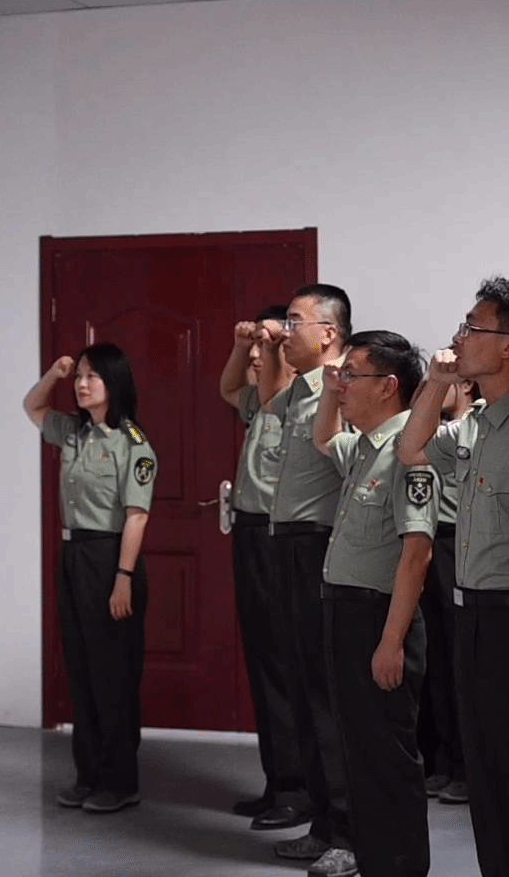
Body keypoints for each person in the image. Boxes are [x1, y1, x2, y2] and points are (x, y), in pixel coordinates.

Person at [398, 277, 509, 877]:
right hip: (472, 617)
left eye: (473, 327)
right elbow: (411, 448)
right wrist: (436, 382)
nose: (459, 336)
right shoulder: (471, 425)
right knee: (486, 775)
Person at [312, 331, 438, 877]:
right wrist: (328, 389)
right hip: (346, 613)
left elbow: (417, 553)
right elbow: (323, 438)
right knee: (357, 750)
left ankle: (401, 866)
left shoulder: (409, 450)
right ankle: (374, 859)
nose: (341, 385)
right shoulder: (363, 445)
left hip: (381, 618)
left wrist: (391, 640)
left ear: (388, 386)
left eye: (351, 375)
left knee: (387, 756)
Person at [22, 344, 156, 814]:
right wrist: (52, 374)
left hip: (110, 557)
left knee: (112, 673)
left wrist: (123, 577)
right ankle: (88, 775)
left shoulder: (133, 444)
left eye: (91, 376)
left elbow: (137, 516)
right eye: (78, 375)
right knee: (80, 670)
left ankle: (120, 781)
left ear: (113, 383)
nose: (81, 384)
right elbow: (32, 406)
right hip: (74, 555)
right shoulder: (73, 432)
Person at [258, 284, 359, 877]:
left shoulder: (345, 386)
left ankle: (348, 833)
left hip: (323, 545)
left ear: (328, 332)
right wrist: (270, 347)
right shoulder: (300, 387)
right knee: (301, 689)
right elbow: (264, 396)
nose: (283, 329)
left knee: (328, 697)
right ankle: (323, 824)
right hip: (289, 545)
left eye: (294, 321)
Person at [218, 304, 307, 826]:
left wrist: (269, 344)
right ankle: (278, 783)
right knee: (262, 660)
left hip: (280, 538)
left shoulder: (301, 402)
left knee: (284, 664)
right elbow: (229, 388)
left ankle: (297, 788)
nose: (255, 355)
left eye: (265, 346)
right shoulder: (259, 401)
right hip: (251, 536)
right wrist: (240, 345)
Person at [416, 378, 475, 806]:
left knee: (458, 660)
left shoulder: (476, 426)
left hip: (460, 542)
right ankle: (440, 760)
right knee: (433, 659)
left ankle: (464, 767)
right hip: (430, 540)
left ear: (466, 385)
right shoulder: (436, 432)